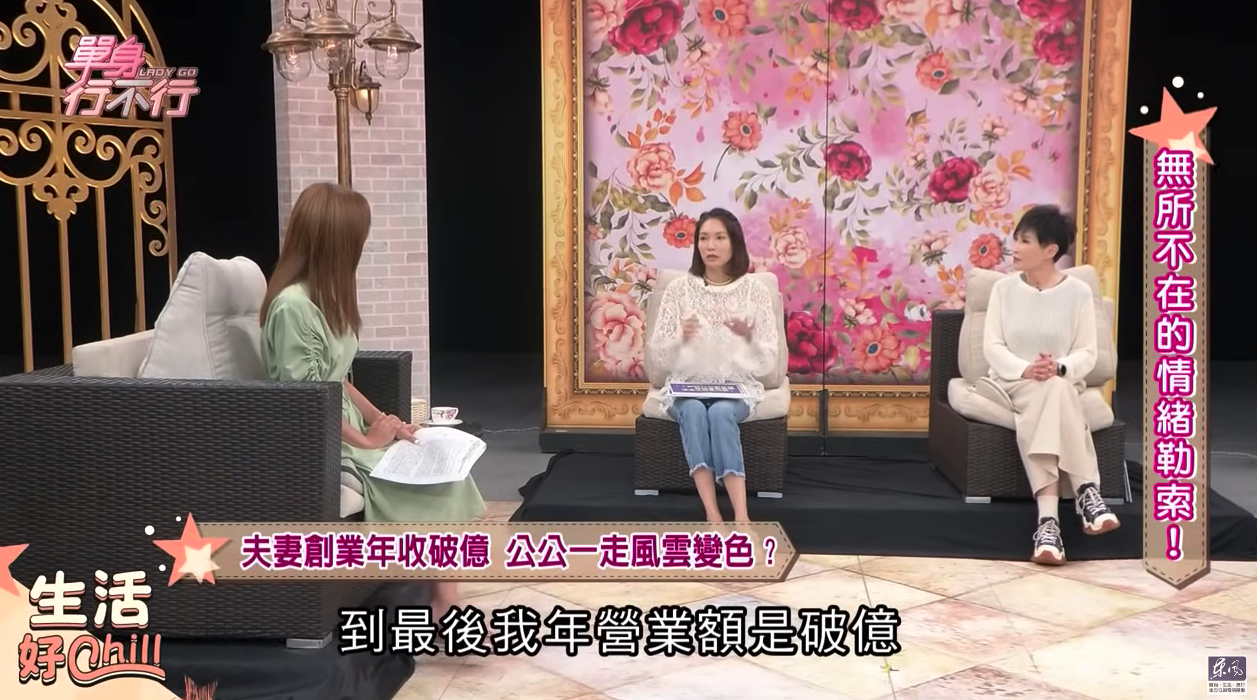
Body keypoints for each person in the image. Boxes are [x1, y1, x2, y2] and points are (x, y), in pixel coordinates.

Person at [259, 182, 485, 618]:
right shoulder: (293, 307)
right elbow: (306, 400)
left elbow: (339, 379)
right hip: (317, 440)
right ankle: (445, 604)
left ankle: (443, 599)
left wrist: (385, 422)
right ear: (337, 243)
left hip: (340, 425)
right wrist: (366, 441)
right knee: (437, 483)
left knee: (446, 465)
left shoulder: (326, 297)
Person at [983, 204, 1119, 566]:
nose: (1014, 247)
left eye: (1025, 241)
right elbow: (992, 347)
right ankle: (1087, 491)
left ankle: (1049, 525)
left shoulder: (1078, 293)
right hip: (1012, 381)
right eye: (1015, 238)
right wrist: (1026, 369)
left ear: (1050, 250)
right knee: (1053, 391)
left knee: (1055, 389)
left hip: (1059, 380)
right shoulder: (1003, 290)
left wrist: (1058, 367)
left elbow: (1087, 352)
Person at [645, 208, 781, 523]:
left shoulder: (755, 292)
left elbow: (769, 360)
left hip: (736, 388)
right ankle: (712, 514)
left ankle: (742, 518)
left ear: (734, 242)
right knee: (693, 411)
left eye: (719, 238)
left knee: (720, 413)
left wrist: (748, 337)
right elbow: (658, 355)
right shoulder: (679, 290)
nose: (711, 245)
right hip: (686, 387)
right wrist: (681, 338)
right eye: (704, 238)